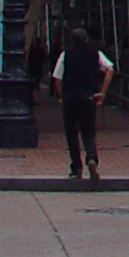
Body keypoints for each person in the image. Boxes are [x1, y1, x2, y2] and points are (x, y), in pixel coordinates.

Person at [52, 25, 113, 182]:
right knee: (89, 131)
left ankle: (76, 167)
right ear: (86, 40)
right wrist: (102, 92)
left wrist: (60, 95)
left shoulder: (66, 55)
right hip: (88, 96)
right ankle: (91, 158)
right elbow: (109, 69)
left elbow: (57, 78)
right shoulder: (95, 54)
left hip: (70, 97)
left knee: (71, 133)